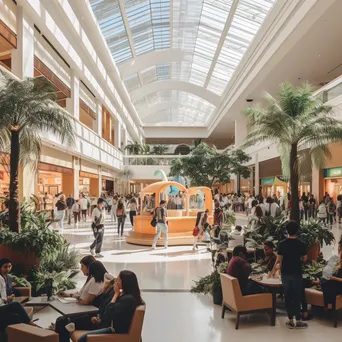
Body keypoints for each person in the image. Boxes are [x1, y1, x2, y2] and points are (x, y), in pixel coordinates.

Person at [77, 270, 144, 342]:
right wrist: (105, 290)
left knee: (83, 338)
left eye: (118, 280)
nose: (116, 282)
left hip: (116, 331)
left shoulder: (128, 299)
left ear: (125, 283)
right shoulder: (124, 295)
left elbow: (109, 312)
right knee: (75, 322)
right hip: (109, 325)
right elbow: (104, 306)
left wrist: (115, 295)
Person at [55, 273, 115, 342]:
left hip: (96, 321)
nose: (105, 281)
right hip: (95, 317)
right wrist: (104, 290)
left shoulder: (112, 293)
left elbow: (106, 312)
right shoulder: (108, 292)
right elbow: (102, 308)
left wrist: (98, 318)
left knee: (62, 321)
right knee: (61, 320)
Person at [271, 221, 308, 329]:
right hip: (297, 273)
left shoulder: (282, 244)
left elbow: (278, 260)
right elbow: (304, 258)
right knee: (297, 296)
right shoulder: (301, 244)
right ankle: (299, 320)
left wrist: (272, 272)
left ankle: (290, 320)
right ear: (297, 230)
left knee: (288, 295)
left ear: (287, 230)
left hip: (285, 273)